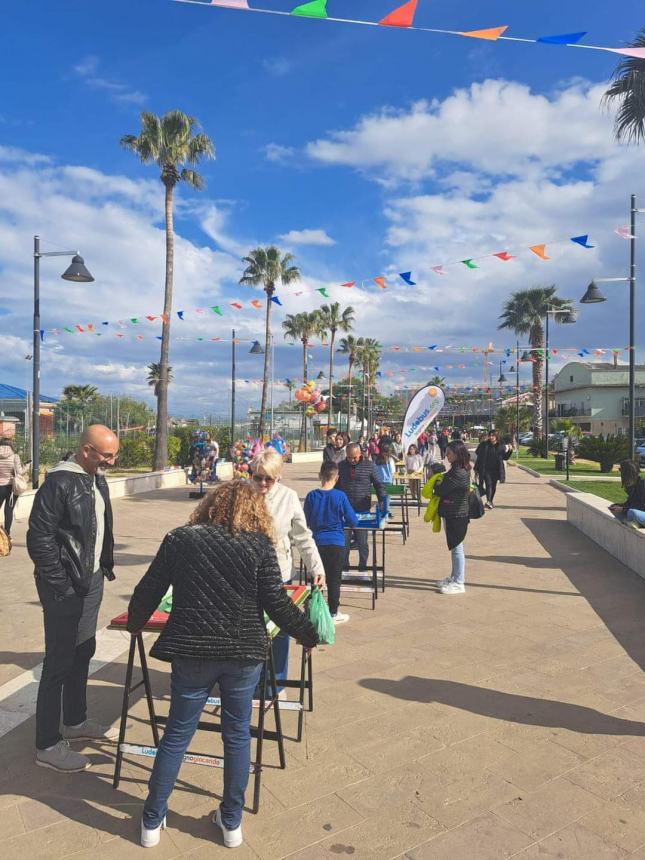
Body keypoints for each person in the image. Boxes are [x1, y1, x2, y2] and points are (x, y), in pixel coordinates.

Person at [127, 481, 318, 849]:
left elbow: (149, 588)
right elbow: (276, 605)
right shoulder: (258, 546)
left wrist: (135, 623)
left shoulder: (180, 539)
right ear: (254, 510)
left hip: (192, 649)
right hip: (243, 652)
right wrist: (307, 633)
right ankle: (231, 821)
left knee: (177, 735)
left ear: (209, 506)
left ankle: (152, 819)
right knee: (236, 735)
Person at [26, 425, 119, 773]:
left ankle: (75, 721)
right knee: (58, 661)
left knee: (84, 650)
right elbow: (39, 538)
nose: (112, 461)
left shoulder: (96, 478)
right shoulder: (59, 483)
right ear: (85, 450)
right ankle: (47, 744)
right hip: (64, 586)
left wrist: (101, 568)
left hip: (90, 580)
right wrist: (61, 585)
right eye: (106, 455)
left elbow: (97, 528)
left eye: (114, 454)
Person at [250, 448, 324, 692]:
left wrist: (316, 567)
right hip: (246, 572)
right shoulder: (242, 495)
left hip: (279, 572)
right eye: (257, 477)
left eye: (268, 478)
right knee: (251, 629)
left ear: (278, 477)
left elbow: (303, 537)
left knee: (280, 630)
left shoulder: (289, 497)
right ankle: (249, 681)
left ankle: (275, 683)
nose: (262, 483)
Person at [304, 461, 359, 624]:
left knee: (316, 577)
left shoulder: (311, 495)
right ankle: (333, 612)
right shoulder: (340, 496)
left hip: (316, 543)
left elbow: (304, 520)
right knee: (334, 579)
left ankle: (315, 611)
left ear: (319, 476)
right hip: (336, 542)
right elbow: (353, 521)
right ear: (337, 477)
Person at [337, 443, 385, 571]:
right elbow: (335, 487)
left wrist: (382, 502)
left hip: (363, 509)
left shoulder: (370, 466)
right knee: (344, 542)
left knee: (362, 541)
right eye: (349, 458)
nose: (352, 460)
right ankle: (344, 566)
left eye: (355, 457)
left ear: (360, 454)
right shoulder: (341, 466)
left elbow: (379, 485)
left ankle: (362, 566)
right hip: (344, 510)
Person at [434, 440, 471, 594]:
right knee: (455, 547)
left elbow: (440, 490)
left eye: (449, 452)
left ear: (457, 454)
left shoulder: (458, 472)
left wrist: (436, 483)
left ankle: (459, 582)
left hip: (457, 513)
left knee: (457, 548)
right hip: (452, 512)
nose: (446, 455)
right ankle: (454, 576)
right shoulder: (456, 469)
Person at [474, 430, 512, 509]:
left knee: (493, 485)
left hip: (496, 469)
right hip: (486, 469)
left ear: (496, 437)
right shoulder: (484, 444)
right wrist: (476, 468)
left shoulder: (501, 446)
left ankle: (490, 501)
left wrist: (510, 451)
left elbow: (505, 457)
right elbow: (478, 454)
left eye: (493, 436)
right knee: (489, 484)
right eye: (490, 435)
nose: (491, 437)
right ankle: (488, 501)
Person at [0, 436, 26, 537]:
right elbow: (19, 472)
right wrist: (26, 466)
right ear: (11, 445)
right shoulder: (15, 456)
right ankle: (7, 535)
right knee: (9, 511)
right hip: (11, 488)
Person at [610, 460, 645, 528]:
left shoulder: (643, 485)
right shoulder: (634, 486)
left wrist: (623, 509)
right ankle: (636, 522)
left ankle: (637, 522)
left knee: (632, 512)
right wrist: (618, 506)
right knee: (614, 507)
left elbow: (642, 506)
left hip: (639, 512)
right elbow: (630, 503)